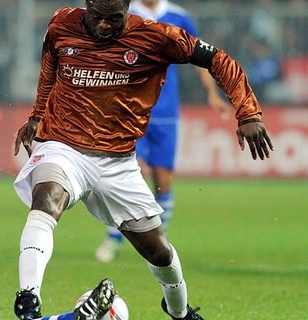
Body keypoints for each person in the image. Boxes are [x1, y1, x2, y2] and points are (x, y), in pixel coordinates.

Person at [12, 1, 273, 320]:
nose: (105, 26)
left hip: (117, 163)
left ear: (127, 9)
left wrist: (248, 111)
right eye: (97, 17)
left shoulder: (157, 36)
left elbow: (219, 59)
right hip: (64, 146)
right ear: (86, 6)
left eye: (115, 18)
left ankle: (179, 311)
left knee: (158, 252)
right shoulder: (61, 24)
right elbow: (50, 65)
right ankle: (28, 298)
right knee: (46, 199)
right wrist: (38, 115)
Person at [95, 0, 233, 263]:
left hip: (166, 110)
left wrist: (212, 92)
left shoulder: (179, 16)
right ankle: (113, 239)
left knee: (162, 180)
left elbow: (200, 58)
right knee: (126, 174)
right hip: (129, 109)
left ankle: (159, 239)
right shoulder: (125, 12)